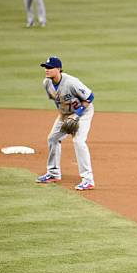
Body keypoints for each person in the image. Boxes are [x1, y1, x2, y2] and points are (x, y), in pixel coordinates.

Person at [36, 56, 96, 191]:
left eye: (50, 68)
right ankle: (53, 173)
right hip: (65, 115)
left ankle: (88, 180)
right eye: (45, 67)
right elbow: (59, 102)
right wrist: (63, 118)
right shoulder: (47, 83)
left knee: (78, 142)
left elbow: (90, 97)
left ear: (58, 69)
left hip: (83, 113)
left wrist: (77, 115)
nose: (47, 70)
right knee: (53, 138)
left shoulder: (71, 82)